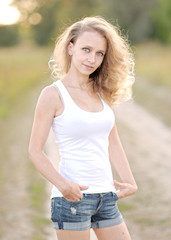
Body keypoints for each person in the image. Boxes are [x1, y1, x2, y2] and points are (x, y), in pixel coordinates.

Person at [29, 16, 138, 240]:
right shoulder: (53, 94)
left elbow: (113, 141)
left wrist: (130, 180)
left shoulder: (101, 91)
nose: (92, 59)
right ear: (71, 48)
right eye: (86, 49)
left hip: (106, 197)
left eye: (99, 53)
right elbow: (35, 151)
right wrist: (64, 185)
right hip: (71, 199)